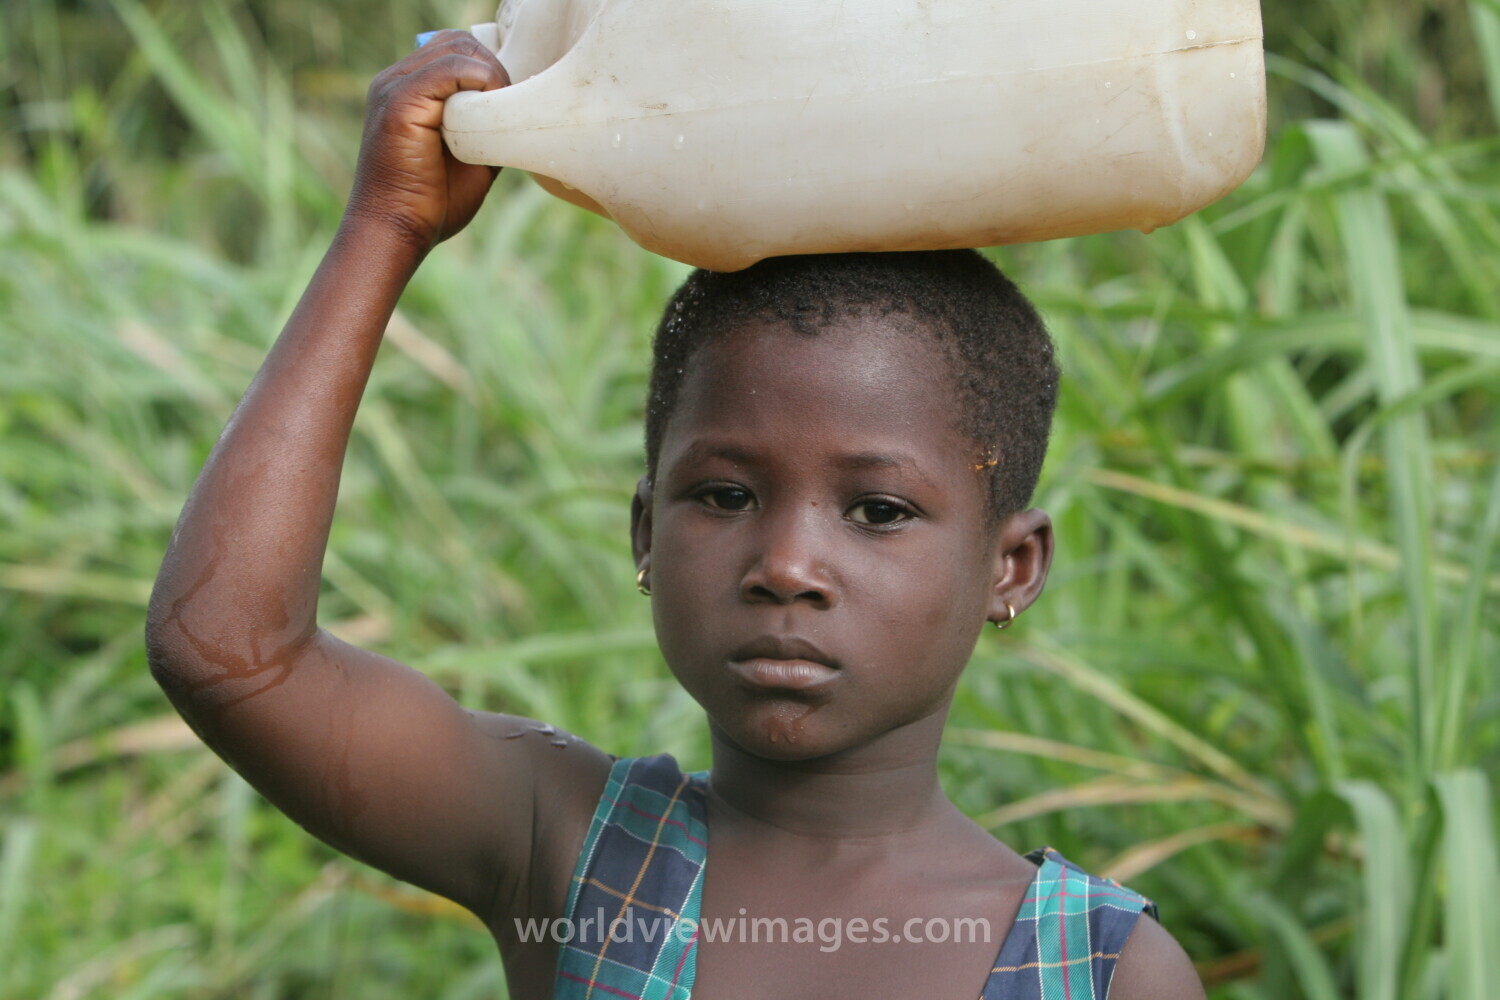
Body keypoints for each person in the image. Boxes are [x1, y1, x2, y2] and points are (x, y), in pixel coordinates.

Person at [145, 31, 1205, 1000]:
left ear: (1011, 567)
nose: (787, 563)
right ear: (646, 532)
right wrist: (387, 226)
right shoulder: (564, 847)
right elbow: (230, 652)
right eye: (726, 495)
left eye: (877, 509)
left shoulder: (1100, 971)